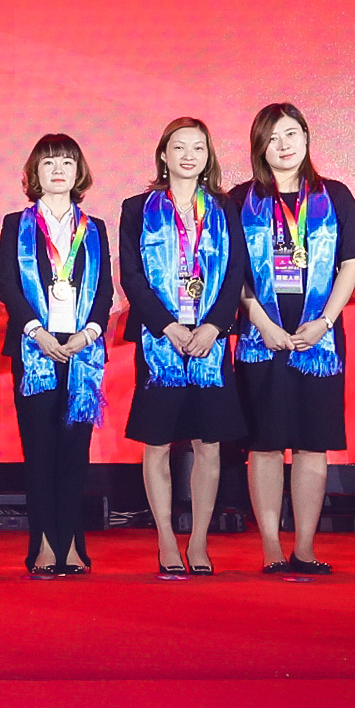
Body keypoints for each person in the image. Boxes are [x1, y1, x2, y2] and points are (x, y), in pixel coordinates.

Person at [230, 103, 355, 574]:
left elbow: (350, 264)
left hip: (319, 337)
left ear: (307, 138)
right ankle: (271, 546)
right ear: (259, 147)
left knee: (313, 443)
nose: (283, 145)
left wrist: (326, 321)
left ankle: (306, 547)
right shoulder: (240, 200)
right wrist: (262, 323)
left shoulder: (335, 195)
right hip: (261, 334)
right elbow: (231, 273)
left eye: (291, 134)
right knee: (265, 444)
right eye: (272, 138)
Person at [120, 117, 244, 578]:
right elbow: (131, 276)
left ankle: (199, 541)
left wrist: (214, 325)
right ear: (163, 155)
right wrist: (166, 325)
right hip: (161, 340)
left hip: (210, 340)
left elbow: (236, 272)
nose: (189, 156)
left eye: (198, 148)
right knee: (156, 444)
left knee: (208, 445)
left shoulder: (225, 208)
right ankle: (166, 540)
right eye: (179, 147)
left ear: (208, 156)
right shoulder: (137, 208)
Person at [0, 134, 113, 577]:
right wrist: (37, 332)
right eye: (48, 163)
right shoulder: (16, 224)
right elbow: (9, 285)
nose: (58, 169)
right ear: (35, 173)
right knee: (39, 451)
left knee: (74, 453)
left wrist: (88, 334)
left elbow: (104, 292)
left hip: (82, 350)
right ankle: (44, 545)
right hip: (35, 348)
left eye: (67, 161)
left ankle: (73, 545)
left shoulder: (95, 227)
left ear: (79, 171)